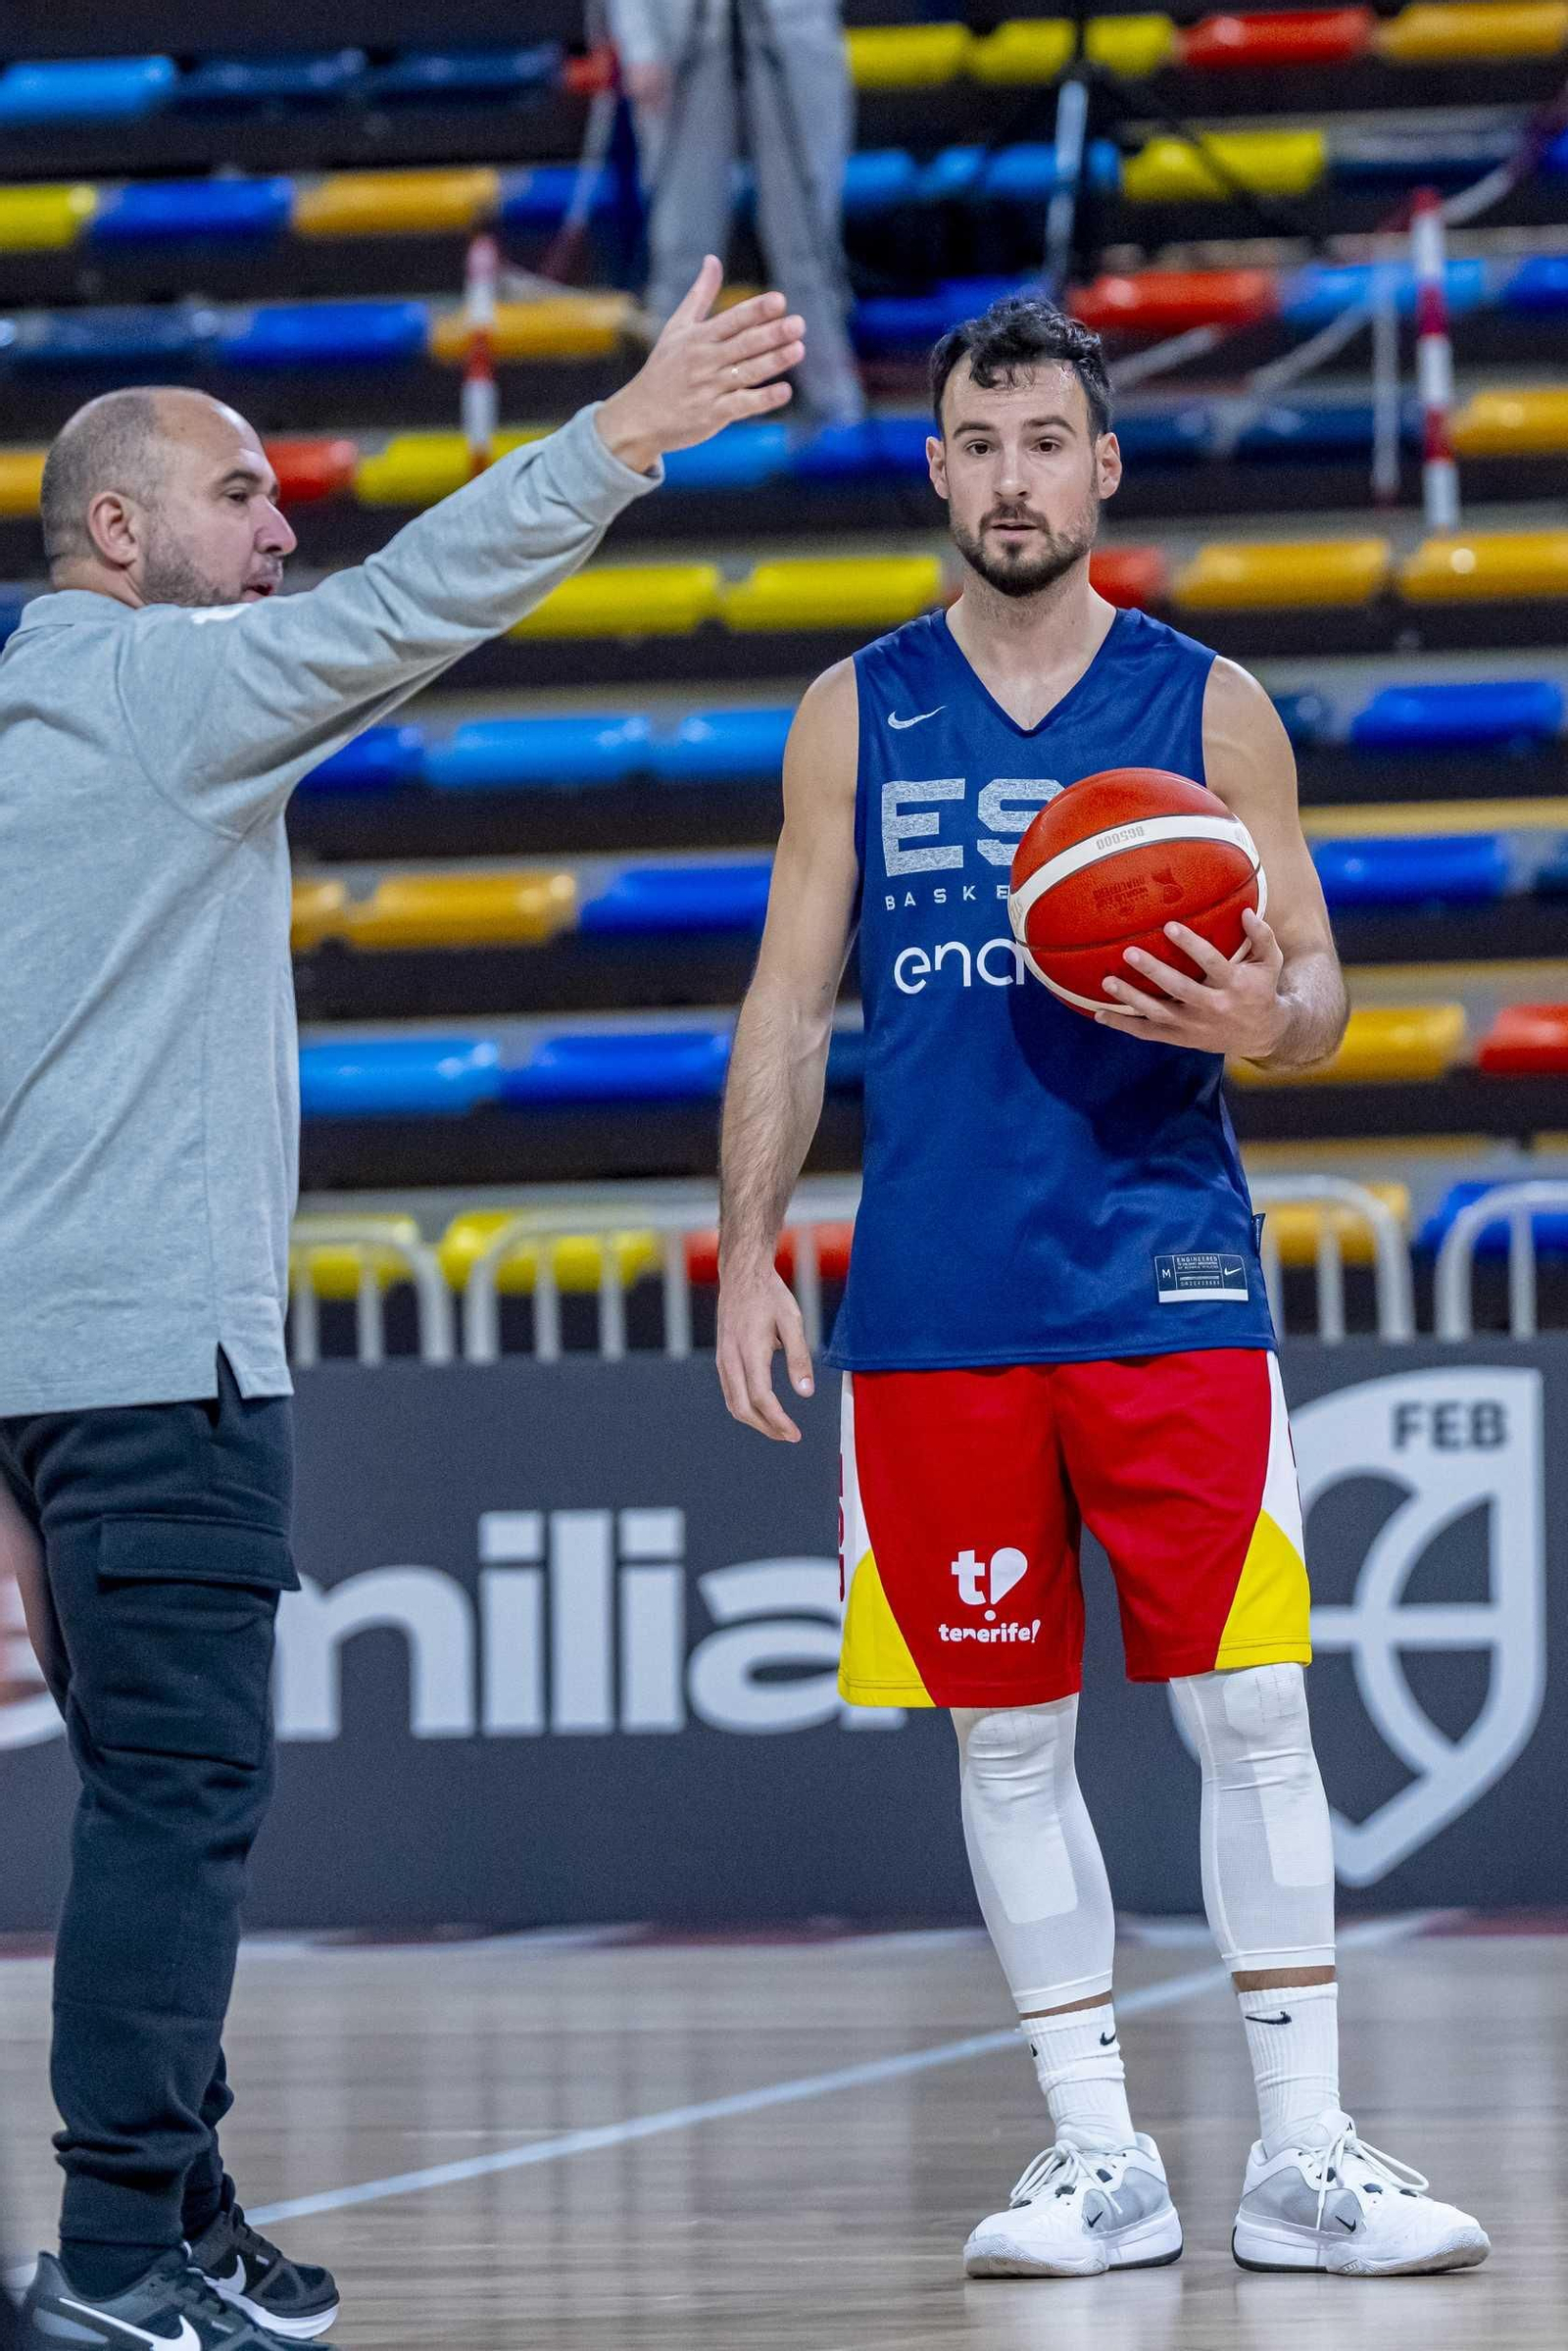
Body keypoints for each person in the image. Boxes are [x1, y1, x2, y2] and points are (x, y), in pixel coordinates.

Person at [0, 258, 803, 2351]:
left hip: (46, 1375)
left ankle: (178, 2212)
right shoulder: (159, 696)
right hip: (163, 1370)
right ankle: (104, 2258)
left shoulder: (23, 727)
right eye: (243, 494)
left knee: (143, 1807)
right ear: (118, 533)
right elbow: (406, 607)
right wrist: (624, 432)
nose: (281, 530)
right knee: (176, 1813)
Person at [714, 292, 1489, 2280]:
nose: (1009, 476)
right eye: (976, 443)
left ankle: (1304, 2153)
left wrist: (1267, 1011)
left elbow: (1312, 979)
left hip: (1166, 1267)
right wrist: (742, 1252)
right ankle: (1095, 2155)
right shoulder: (851, 710)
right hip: (940, 1301)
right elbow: (789, 1005)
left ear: (1101, 464)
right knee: (1003, 1736)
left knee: (1248, 1698)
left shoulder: (1203, 703)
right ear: (934, 472)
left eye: (1043, 439)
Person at [608, 0, 865, 429]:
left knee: (805, 240)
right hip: (682, 30)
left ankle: (837, 408)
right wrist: (640, 43)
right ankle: (664, 417)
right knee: (682, 244)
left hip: (793, 23)